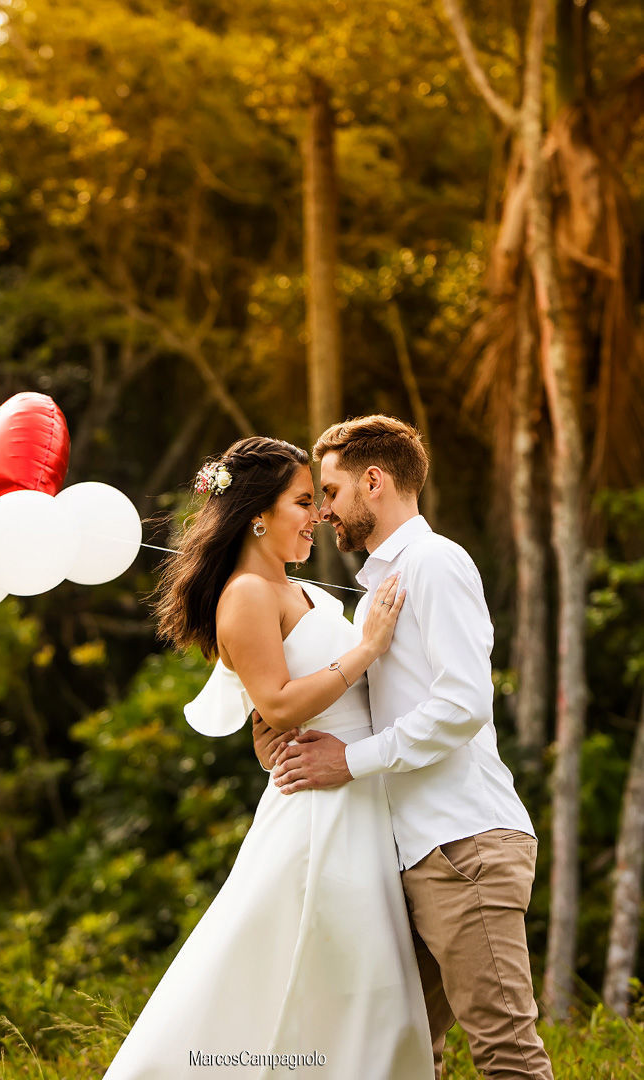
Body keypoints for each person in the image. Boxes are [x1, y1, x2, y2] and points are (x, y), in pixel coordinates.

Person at [102, 435, 433, 1079]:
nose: (318, 517)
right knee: (301, 984)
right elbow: (278, 705)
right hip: (318, 817)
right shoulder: (246, 593)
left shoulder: (301, 590)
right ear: (258, 513)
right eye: (304, 502)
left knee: (363, 1000)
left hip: (362, 803)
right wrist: (365, 651)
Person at [262, 415, 554, 1080]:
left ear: (374, 481)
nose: (325, 512)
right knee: (396, 1056)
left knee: (505, 1052)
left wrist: (348, 763)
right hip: (407, 856)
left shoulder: (434, 562)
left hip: (464, 845)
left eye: (329, 492)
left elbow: (461, 705)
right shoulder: (374, 595)